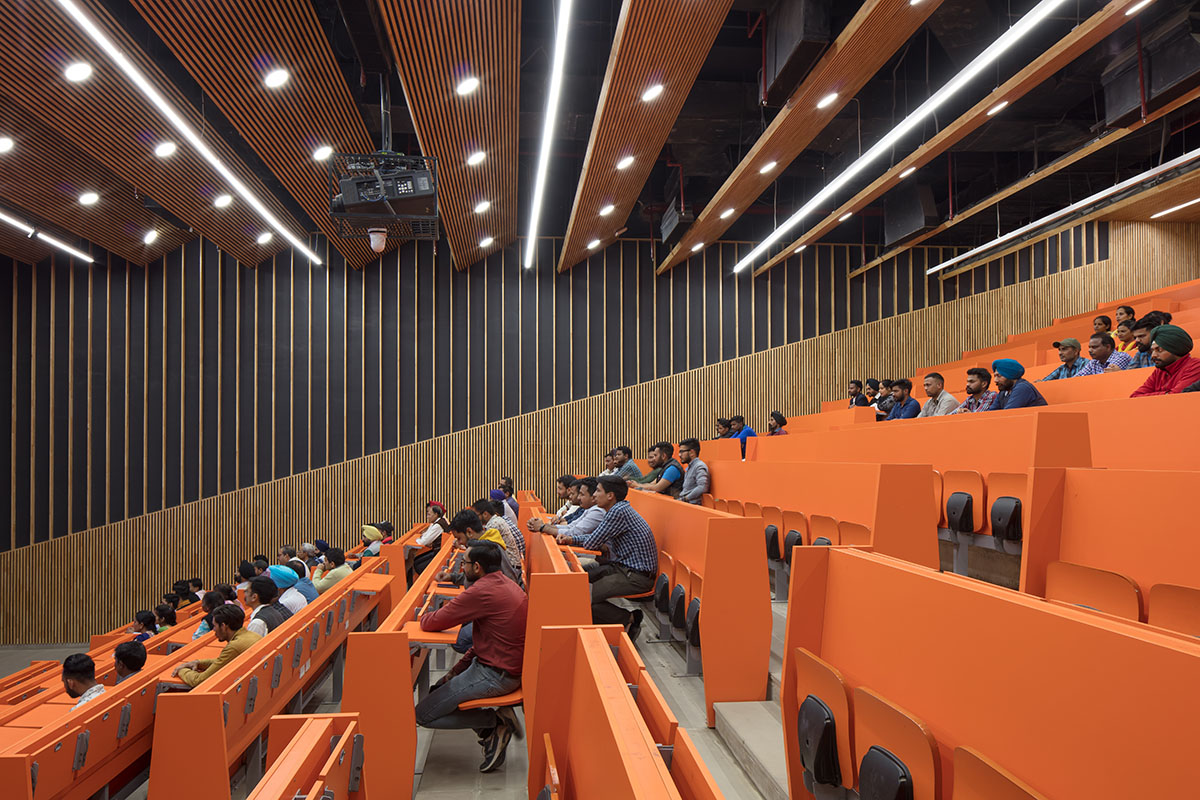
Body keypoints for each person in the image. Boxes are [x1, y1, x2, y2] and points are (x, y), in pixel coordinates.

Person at [415, 543, 527, 773]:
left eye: (464, 563)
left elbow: (433, 621)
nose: (462, 567)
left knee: (423, 715)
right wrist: (455, 671)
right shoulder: (507, 583)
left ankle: (494, 724)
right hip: (497, 666)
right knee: (437, 691)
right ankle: (491, 730)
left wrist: (421, 616)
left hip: (496, 675)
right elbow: (482, 642)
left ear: (476, 567)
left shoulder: (482, 591)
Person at [556, 476, 657, 637]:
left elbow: (592, 542)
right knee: (578, 584)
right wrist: (571, 539)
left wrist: (573, 539)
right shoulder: (618, 509)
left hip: (636, 576)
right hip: (621, 568)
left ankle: (629, 618)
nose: (594, 495)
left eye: (598, 490)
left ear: (610, 495)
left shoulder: (617, 512)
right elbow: (595, 538)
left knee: (583, 599)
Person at [173, 605, 261, 688]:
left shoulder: (234, 647)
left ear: (223, 626)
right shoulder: (253, 636)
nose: (213, 630)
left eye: (214, 626)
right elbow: (222, 661)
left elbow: (199, 680)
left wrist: (181, 670)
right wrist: (199, 663)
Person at [439, 511, 523, 586]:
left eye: (459, 538)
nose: (459, 543)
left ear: (469, 532)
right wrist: (451, 577)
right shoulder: (486, 543)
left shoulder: (489, 549)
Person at [1131, 324, 1200, 396]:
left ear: (1175, 349)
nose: (1153, 355)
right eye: (1152, 350)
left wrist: (1165, 395)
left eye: (1159, 350)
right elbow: (1135, 396)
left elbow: (1176, 397)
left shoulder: (1196, 366)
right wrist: (1166, 394)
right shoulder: (1159, 370)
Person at [530, 477, 604, 540]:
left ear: (593, 497)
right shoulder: (589, 509)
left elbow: (573, 533)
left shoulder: (597, 511)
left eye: (582, 494)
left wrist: (543, 527)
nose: (578, 498)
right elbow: (570, 527)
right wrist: (544, 526)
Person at [474, 499, 524, 573]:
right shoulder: (496, 520)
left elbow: (484, 547)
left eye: (476, 515)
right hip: (511, 565)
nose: (476, 519)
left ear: (485, 514)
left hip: (510, 568)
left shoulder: (494, 524)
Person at [677, 438, 710, 504]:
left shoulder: (699, 466)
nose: (679, 455)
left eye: (682, 452)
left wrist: (685, 498)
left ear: (692, 452)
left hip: (691, 505)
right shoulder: (690, 466)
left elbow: (702, 487)